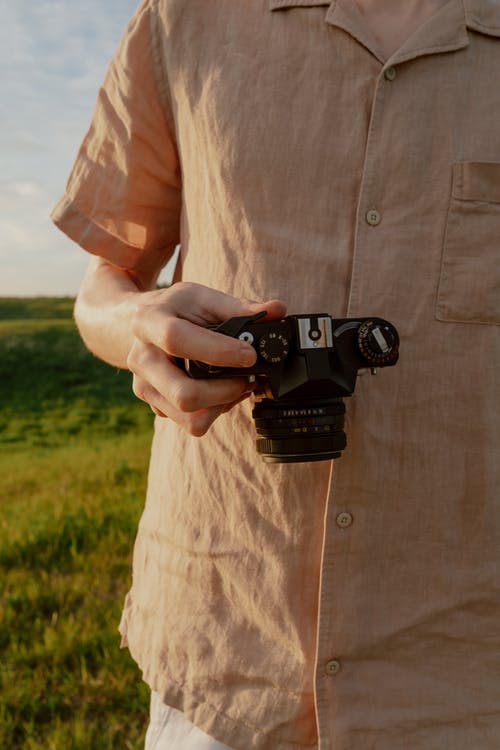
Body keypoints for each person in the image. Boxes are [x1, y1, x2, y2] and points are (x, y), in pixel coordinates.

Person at [51, 0, 500, 748]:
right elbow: (108, 281)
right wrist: (137, 330)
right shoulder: (183, 19)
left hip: (466, 672)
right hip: (224, 648)